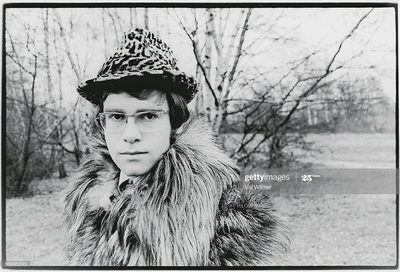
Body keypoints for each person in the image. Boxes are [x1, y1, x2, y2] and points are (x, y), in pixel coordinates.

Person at [62, 28, 290, 266]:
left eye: (148, 116)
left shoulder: (231, 218)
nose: (130, 135)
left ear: (174, 122)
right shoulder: (85, 200)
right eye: (117, 117)